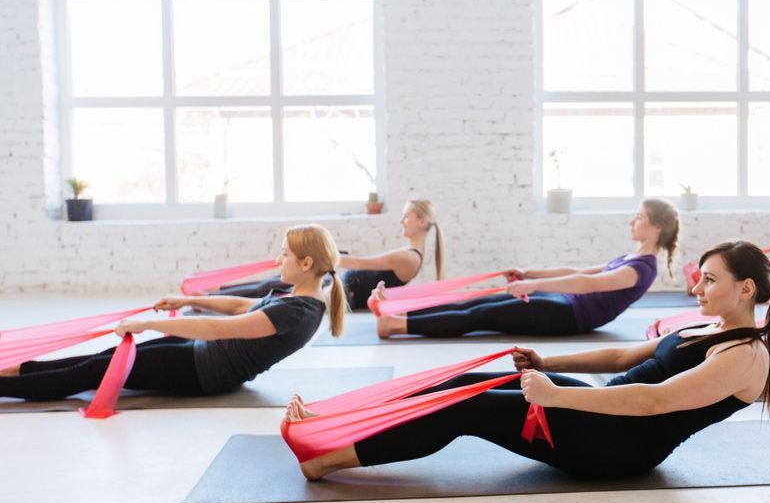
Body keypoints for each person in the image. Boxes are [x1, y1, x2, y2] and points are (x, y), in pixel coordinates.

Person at [284, 240, 770, 481]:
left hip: (618, 447)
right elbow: (624, 354)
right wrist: (547, 364)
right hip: (599, 409)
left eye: (709, 280)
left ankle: (328, 459)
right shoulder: (710, 326)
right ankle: (342, 419)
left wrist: (556, 395)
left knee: (469, 408)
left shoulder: (745, 356)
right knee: (477, 378)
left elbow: (656, 402)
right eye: (698, 277)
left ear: (746, 289)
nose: (696, 287)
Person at [0, 224, 345, 401]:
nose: (277, 260)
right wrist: (185, 302)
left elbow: (217, 330)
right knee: (103, 358)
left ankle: (7, 384)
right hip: (200, 355)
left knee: (95, 373)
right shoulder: (294, 295)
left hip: (204, 373)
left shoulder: (299, 313)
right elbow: (243, 307)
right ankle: (19, 370)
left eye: (284, 255)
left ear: (306, 263)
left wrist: (148, 323)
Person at [372, 198, 679, 339]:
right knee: (478, 301)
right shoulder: (631, 257)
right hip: (563, 303)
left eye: (638, 217)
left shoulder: (642, 269)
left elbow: (587, 285)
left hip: (570, 317)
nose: (631, 221)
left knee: (481, 316)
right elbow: (579, 271)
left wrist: (531, 287)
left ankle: (396, 326)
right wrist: (529, 274)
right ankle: (400, 315)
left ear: (656, 227)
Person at [212, 200, 444, 312]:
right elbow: (362, 261)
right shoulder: (408, 254)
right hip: (337, 285)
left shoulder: (409, 258)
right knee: (276, 280)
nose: (402, 221)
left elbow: (361, 263)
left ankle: (212, 299)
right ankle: (215, 296)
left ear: (421, 221)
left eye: (406, 217)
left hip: (339, 292)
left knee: (277, 285)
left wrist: (321, 252)